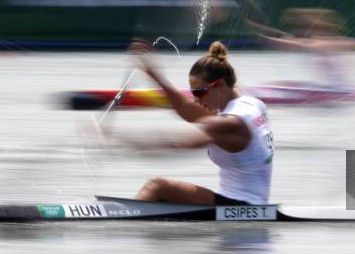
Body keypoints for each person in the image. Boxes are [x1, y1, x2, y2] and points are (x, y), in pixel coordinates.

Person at [111, 40, 274, 206]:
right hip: (243, 200)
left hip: (242, 204)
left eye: (199, 91)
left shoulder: (230, 124)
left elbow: (178, 144)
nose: (195, 99)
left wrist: (117, 139)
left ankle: (120, 221)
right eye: (192, 92)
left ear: (221, 85)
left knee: (157, 186)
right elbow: (185, 108)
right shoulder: (251, 104)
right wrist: (154, 75)